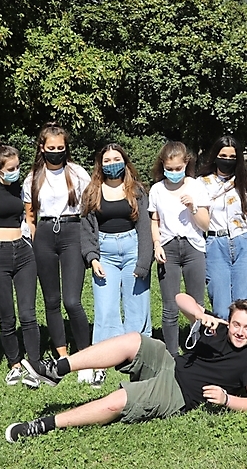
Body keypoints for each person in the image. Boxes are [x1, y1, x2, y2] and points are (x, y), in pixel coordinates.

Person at [5, 294, 247, 442]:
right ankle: (57, 369)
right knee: (133, 339)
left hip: (178, 393)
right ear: (229, 321)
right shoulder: (217, 327)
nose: (240, 332)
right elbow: (179, 298)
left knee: (117, 401)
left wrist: (226, 399)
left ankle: (42, 425)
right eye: (236, 324)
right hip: (170, 362)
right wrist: (200, 314)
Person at [23, 123, 93, 382]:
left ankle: (86, 357)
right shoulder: (33, 177)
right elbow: (30, 216)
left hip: (72, 231)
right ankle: (62, 355)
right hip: (44, 234)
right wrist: (34, 240)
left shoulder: (77, 173)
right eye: (51, 148)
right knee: (51, 300)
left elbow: (89, 206)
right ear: (42, 148)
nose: (56, 152)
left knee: (72, 300)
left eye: (60, 147)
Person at [80, 143, 153, 388]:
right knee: (105, 309)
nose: (112, 164)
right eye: (107, 160)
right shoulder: (92, 192)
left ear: (125, 161)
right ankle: (100, 366)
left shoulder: (137, 190)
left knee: (137, 310)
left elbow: (145, 227)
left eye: (116, 159)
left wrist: (144, 262)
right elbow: (86, 227)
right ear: (100, 165)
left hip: (133, 249)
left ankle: (140, 364)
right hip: (105, 253)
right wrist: (92, 257)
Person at [0, 142, 41, 387]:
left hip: (23, 252)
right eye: (10, 168)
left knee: (28, 314)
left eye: (18, 166)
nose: (16, 171)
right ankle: (15, 364)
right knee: (6, 316)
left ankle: (35, 364)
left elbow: (30, 216)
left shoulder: (23, 186)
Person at [148, 141, 211, 356]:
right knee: (170, 306)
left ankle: (198, 351)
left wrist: (193, 207)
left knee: (197, 304)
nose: (174, 173)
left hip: (193, 247)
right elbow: (155, 220)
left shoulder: (196, 186)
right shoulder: (157, 189)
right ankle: (172, 356)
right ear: (163, 166)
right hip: (168, 247)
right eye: (170, 169)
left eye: (178, 168)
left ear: (186, 164)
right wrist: (157, 244)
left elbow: (205, 224)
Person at [198, 136, 247, 320]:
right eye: (223, 155)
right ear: (215, 156)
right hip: (215, 243)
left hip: (242, 242)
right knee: (221, 308)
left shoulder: (246, 182)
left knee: (243, 305)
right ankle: (223, 336)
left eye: (232, 157)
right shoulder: (202, 183)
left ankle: (241, 337)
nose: (227, 160)